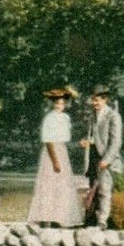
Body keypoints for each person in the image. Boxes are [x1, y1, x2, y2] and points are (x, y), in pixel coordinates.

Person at [26, 87, 84, 227]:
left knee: (62, 184)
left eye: (62, 103)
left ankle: (60, 217)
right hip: (51, 152)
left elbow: (64, 138)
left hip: (62, 150)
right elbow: (48, 140)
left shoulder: (65, 117)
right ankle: (46, 217)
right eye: (57, 103)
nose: (60, 106)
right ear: (53, 104)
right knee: (49, 183)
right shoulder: (50, 118)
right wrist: (55, 161)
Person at [79, 84, 122, 229]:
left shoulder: (113, 116)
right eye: (93, 100)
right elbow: (94, 136)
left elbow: (115, 142)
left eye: (97, 100)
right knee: (92, 188)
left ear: (105, 100)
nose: (95, 103)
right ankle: (91, 218)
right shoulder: (92, 116)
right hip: (93, 156)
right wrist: (88, 141)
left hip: (106, 158)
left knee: (104, 189)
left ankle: (103, 220)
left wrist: (107, 160)